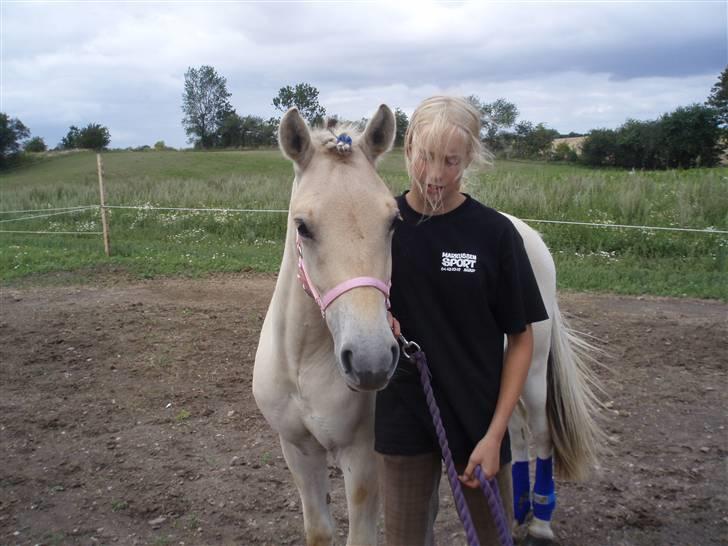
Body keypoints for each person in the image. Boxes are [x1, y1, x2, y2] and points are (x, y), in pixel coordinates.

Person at [375, 96, 548, 545]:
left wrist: (495, 435)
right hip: (405, 418)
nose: (436, 175)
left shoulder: (493, 234)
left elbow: (521, 338)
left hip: (478, 423)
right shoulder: (382, 228)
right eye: (426, 157)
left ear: (469, 157)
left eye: (451, 161)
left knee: (491, 537)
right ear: (408, 146)